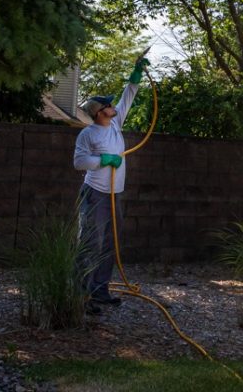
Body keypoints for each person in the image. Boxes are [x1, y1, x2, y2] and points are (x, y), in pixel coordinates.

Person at [74, 53, 149, 311]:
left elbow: (127, 97)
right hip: (95, 194)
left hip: (115, 194)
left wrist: (136, 75)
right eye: (107, 104)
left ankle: (99, 291)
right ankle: (79, 296)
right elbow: (79, 162)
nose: (112, 105)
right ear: (98, 113)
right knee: (89, 243)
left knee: (108, 244)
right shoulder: (88, 133)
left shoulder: (115, 123)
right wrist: (103, 160)